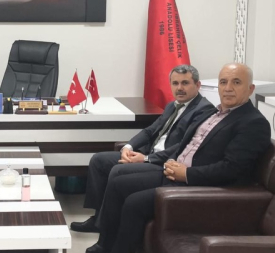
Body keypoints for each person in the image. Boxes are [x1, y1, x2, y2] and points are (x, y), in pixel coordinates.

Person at [77, 63, 271, 253]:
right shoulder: (218, 114)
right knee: (118, 182)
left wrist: (186, 173)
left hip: (198, 184)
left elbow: (232, 169)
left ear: (250, 89)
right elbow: (187, 143)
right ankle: (106, 250)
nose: (228, 88)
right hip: (174, 170)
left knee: (134, 202)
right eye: (223, 82)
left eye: (236, 82)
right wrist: (172, 162)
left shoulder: (253, 122)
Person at [70, 65, 215, 233]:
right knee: (99, 160)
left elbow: (184, 146)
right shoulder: (172, 106)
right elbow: (150, 131)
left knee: (118, 170)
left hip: (166, 163)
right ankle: (98, 219)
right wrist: (128, 147)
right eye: (175, 83)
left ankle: (107, 226)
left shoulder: (204, 110)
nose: (179, 88)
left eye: (185, 83)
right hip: (149, 154)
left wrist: (146, 159)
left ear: (197, 85)